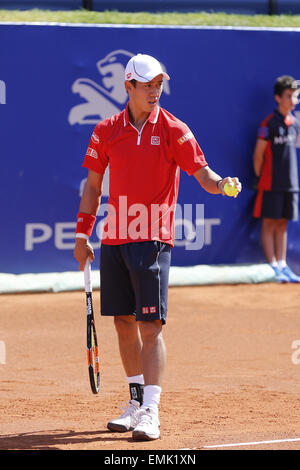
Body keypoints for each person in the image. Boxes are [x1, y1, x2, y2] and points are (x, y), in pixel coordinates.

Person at [73, 53, 242, 441]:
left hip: (153, 240)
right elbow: (94, 187)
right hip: (114, 238)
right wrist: (82, 237)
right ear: (128, 86)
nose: (154, 92)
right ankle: (134, 402)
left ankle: (152, 410)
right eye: (147, 85)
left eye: (159, 85)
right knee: (123, 322)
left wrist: (221, 183)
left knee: (151, 325)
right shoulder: (105, 130)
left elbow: (202, 173)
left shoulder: (173, 129)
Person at [253, 75, 300, 283]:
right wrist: (259, 177)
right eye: (289, 96)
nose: (293, 100)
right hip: (270, 183)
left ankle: (282, 264)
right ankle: (272, 266)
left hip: (290, 185)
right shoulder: (268, 124)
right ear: (278, 98)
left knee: (283, 224)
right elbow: (258, 155)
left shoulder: (295, 124)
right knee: (269, 223)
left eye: (295, 96)